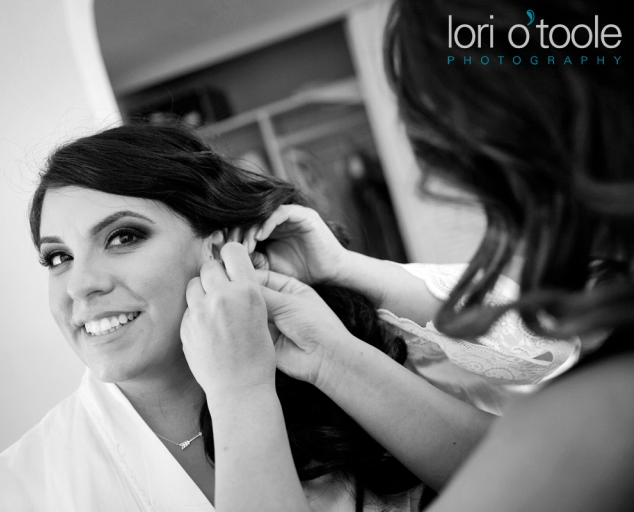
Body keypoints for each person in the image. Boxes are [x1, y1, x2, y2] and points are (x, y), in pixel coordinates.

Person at [181, 0, 634, 510]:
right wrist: (330, 350)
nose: (430, 178)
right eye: (64, 256)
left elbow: (540, 414)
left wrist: (240, 394)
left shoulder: (602, 409)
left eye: (126, 237)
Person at [0, 123, 503, 512]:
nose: (80, 284)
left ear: (218, 247)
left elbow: (537, 477)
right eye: (58, 258)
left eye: (123, 237)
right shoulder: (9, 495)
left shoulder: (333, 364)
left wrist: (334, 356)